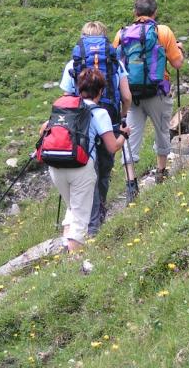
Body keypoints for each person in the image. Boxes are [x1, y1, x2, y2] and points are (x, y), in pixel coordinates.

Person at [41, 68, 130, 253]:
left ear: (78, 88)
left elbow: (43, 130)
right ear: (101, 91)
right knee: (82, 217)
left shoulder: (65, 107)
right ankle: (74, 264)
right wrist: (124, 135)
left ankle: (65, 251)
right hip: (81, 167)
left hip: (56, 166)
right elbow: (112, 147)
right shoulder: (100, 113)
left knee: (73, 208)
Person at [59, 21, 132, 236]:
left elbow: (66, 96)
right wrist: (123, 116)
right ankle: (98, 214)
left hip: (80, 121)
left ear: (82, 38)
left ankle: (84, 219)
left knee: (84, 167)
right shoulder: (114, 62)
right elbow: (126, 96)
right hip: (108, 117)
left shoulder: (73, 64)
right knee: (104, 168)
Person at [113, 0, 184, 189]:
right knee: (162, 131)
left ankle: (131, 184)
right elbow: (177, 63)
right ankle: (161, 173)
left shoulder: (122, 34)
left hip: (132, 97)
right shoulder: (163, 32)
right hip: (158, 92)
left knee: (130, 136)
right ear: (155, 13)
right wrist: (180, 50)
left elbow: (116, 66)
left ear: (135, 13)